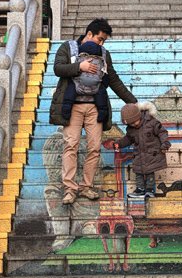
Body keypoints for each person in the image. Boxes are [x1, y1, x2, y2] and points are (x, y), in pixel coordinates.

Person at [49, 18, 137, 205]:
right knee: (70, 145)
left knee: (94, 148)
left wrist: (133, 102)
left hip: (95, 107)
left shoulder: (104, 54)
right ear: (89, 34)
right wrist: (79, 67)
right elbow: (57, 69)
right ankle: (70, 189)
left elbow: (113, 80)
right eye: (99, 39)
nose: (101, 43)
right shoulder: (68, 48)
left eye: (104, 40)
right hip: (72, 106)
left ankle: (86, 187)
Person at [116, 103, 170, 198]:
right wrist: (119, 143)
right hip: (139, 154)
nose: (133, 124)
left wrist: (165, 143)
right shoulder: (131, 129)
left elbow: (162, 132)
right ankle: (140, 189)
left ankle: (150, 190)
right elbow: (128, 139)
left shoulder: (152, 122)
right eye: (130, 124)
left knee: (150, 173)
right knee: (138, 172)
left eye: (134, 122)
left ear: (139, 116)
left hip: (151, 154)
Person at [61, 41, 108, 122]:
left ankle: (66, 109)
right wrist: (104, 83)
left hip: (78, 85)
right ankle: (102, 111)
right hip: (96, 86)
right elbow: (106, 75)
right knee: (102, 95)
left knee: (70, 91)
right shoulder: (101, 60)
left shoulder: (79, 59)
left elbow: (71, 71)